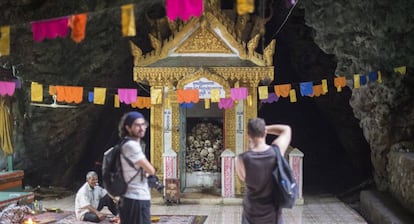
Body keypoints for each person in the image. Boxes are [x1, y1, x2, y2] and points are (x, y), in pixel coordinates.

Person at [235, 118, 292, 224]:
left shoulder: (241, 159)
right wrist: (264, 128)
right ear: (265, 132)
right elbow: (286, 129)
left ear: (248, 135)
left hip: (251, 215)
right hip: (273, 215)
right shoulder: (276, 152)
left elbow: (243, 178)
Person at [117, 111, 156, 224]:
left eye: (143, 124)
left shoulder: (128, 144)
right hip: (135, 198)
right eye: (137, 125)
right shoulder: (131, 146)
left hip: (134, 197)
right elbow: (151, 170)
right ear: (128, 127)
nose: (141, 128)